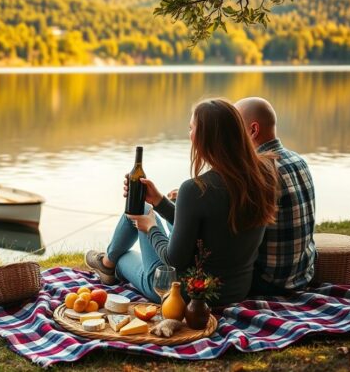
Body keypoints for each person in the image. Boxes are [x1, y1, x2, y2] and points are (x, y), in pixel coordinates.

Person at [85, 98, 278, 306]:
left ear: (203, 138)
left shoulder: (196, 189)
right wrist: (159, 201)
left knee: (124, 257)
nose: (189, 134)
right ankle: (106, 263)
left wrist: (150, 228)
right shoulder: (265, 176)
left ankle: (108, 264)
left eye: (191, 128)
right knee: (144, 206)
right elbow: (211, 226)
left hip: (184, 294)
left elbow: (173, 259)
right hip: (237, 290)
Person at [234, 97, 316, 295]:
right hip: (303, 274)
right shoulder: (298, 160)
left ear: (253, 130)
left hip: (270, 282)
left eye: (235, 127)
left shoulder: (256, 172)